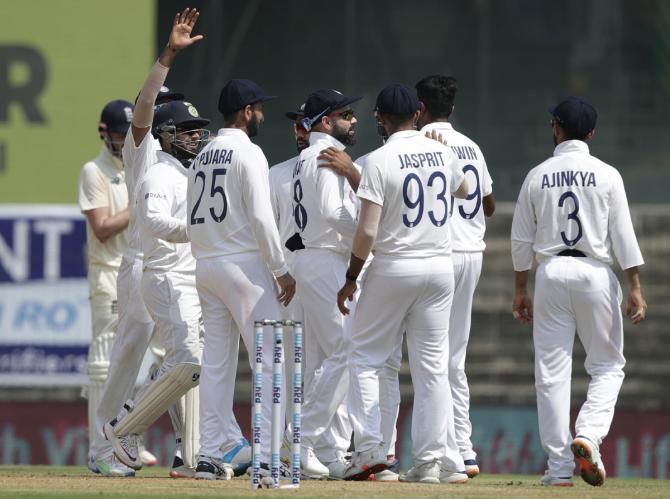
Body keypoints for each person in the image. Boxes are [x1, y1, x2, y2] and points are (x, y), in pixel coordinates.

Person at [91, 8, 247, 478]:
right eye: (183, 123)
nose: (196, 135)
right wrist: (168, 57)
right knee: (128, 355)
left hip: (185, 268)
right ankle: (108, 443)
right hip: (145, 265)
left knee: (184, 361)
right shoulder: (146, 153)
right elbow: (143, 107)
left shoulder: (193, 162)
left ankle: (190, 450)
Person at [511, 96, 647, 487]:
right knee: (607, 366)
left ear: (556, 129)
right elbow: (623, 235)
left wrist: (521, 289)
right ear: (591, 133)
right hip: (594, 271)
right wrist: (634, 286)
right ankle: (588, 433)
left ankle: (557, 471)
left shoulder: (538, 174)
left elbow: (521, 239)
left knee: (551, 374)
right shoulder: (606, 174)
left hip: (550, 272)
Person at [337, 83, 469, 484]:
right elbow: (464, 189)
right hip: (440, 268)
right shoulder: (444, 151)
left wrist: (350, 277)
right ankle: (430, 462)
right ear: (417, 114)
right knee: (432, 369)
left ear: (380, 118)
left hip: (395, 266)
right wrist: (435, 152)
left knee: (364, 356)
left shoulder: (377, 160)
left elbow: (367, 231)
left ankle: (370, 451)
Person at [187, 78, 296, 479]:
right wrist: (280, 270)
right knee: (270, 359)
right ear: (247, 111)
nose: (262, 114)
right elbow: (262, 217)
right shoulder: (248, 152)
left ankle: (210, 455)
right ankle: (268, 459)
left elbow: (191, 217)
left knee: (216, 363)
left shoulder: (202, 154)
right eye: (259, 108)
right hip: (243, 265)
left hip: (207, 264)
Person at [416, 74, 495, 478]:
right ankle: (463, 448)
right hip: (473, 253)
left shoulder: (416, 141)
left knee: (432, 359)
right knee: (454, 358)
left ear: (420, 107)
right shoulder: (472, 145)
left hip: (439, 252)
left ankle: (448, 450)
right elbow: (489, 202)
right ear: (452, 108)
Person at [289, 88, 363, 479]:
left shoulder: (307, 155)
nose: (353, 120)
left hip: (314, 259)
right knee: (348, 351)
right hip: (326, 259)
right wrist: (371, 233)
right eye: (345, 114)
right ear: (324, 122)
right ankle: (300, 438)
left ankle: (327, 449)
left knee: (328, 357)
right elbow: (336, 213)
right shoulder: (327, 155)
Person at [79, 99, 132, 476]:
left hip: (137, 272)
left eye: (128, 134)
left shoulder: (139, 167)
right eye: (118, 134)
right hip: (107, 274)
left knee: (148, 357)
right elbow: (102, 227)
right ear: (104, 132)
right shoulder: (93, 171)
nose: (123, 141)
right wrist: (140, 206)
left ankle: (127, 437)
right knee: (102, 359)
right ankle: (99, 448)